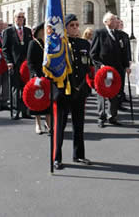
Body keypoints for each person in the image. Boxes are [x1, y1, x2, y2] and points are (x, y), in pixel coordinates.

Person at [52, 14, 93, 170]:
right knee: (60, 126)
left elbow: (86, 65)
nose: (75, 28)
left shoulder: (84, 44)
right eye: (72, 25)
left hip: (79, 90)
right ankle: (56, 157)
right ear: (65, 28)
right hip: (63, 90)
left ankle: (79, 155)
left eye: (77, 25)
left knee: (79, 125)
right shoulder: (59, 44)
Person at [90, 12, 130, 128]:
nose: (116, 22)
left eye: (116, 20)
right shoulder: (99, 33)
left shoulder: (119, 34)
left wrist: (126, 65)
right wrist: (100, 65)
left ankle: (112, 116)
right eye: (112, 20)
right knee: (102, 94)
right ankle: (101, 117)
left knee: (115, 93)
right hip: (103, 70)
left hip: (116, 70)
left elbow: (123, 52)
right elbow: (93, 54)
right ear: (106, 22)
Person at [2, 11, 33, 119]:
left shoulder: (28, 31)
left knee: (25, 88)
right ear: (14, 18)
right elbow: (5, 49)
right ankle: (15, 111)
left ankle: (25, 111)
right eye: (18, 17)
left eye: (22, 17)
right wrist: (9, 62)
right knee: (15, 88)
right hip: (14, 64)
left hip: (25, 65)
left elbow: (30, 47)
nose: (20, 19)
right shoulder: (8, 31)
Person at [26, 23, 51, 134]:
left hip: (48, 75)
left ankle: (48, 122)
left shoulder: (49, 43)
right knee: (37, 100)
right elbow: (30, 62)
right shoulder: (33, 43)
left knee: (48, 100)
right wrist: (34, 74)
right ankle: (38, 123)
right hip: (37, 75)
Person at [116, 17, 131, 106]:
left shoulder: (125, 35)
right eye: (118, 23)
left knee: (122, 82)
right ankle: (117, 102)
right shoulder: (114, 35)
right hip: (117, 62)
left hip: (123, 62)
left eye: (121, 24)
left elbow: (127, 49)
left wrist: (129, 60)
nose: (120, 25)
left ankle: (120, 100)